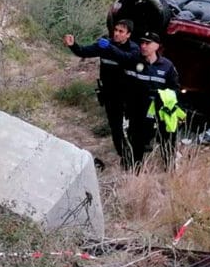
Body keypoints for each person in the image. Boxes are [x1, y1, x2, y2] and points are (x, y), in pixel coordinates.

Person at [64, 19, 138, 168]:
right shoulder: (105, 45)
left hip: (129, 96)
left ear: (128, 35)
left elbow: (126, 59)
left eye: (121, 31)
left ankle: (136, 157)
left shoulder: (133, 49)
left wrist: (109, 47)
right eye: (115, 30)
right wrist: (73, 45)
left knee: (132, 129)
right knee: (116, 128)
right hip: (111, 95)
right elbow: (84, 51)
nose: (116, 33)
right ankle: (125, 158)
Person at [105, 31, 181, 168]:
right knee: (137, 142)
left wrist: (163, 98)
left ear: (157, 46)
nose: (143, 46)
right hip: (137, 111)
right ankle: (135, 171)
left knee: (167, 140)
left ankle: (169, 168)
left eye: (148, 43)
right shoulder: (132, 61)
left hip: (160, 111)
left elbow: (175, 89)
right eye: (142, 43)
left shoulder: (167, 66)